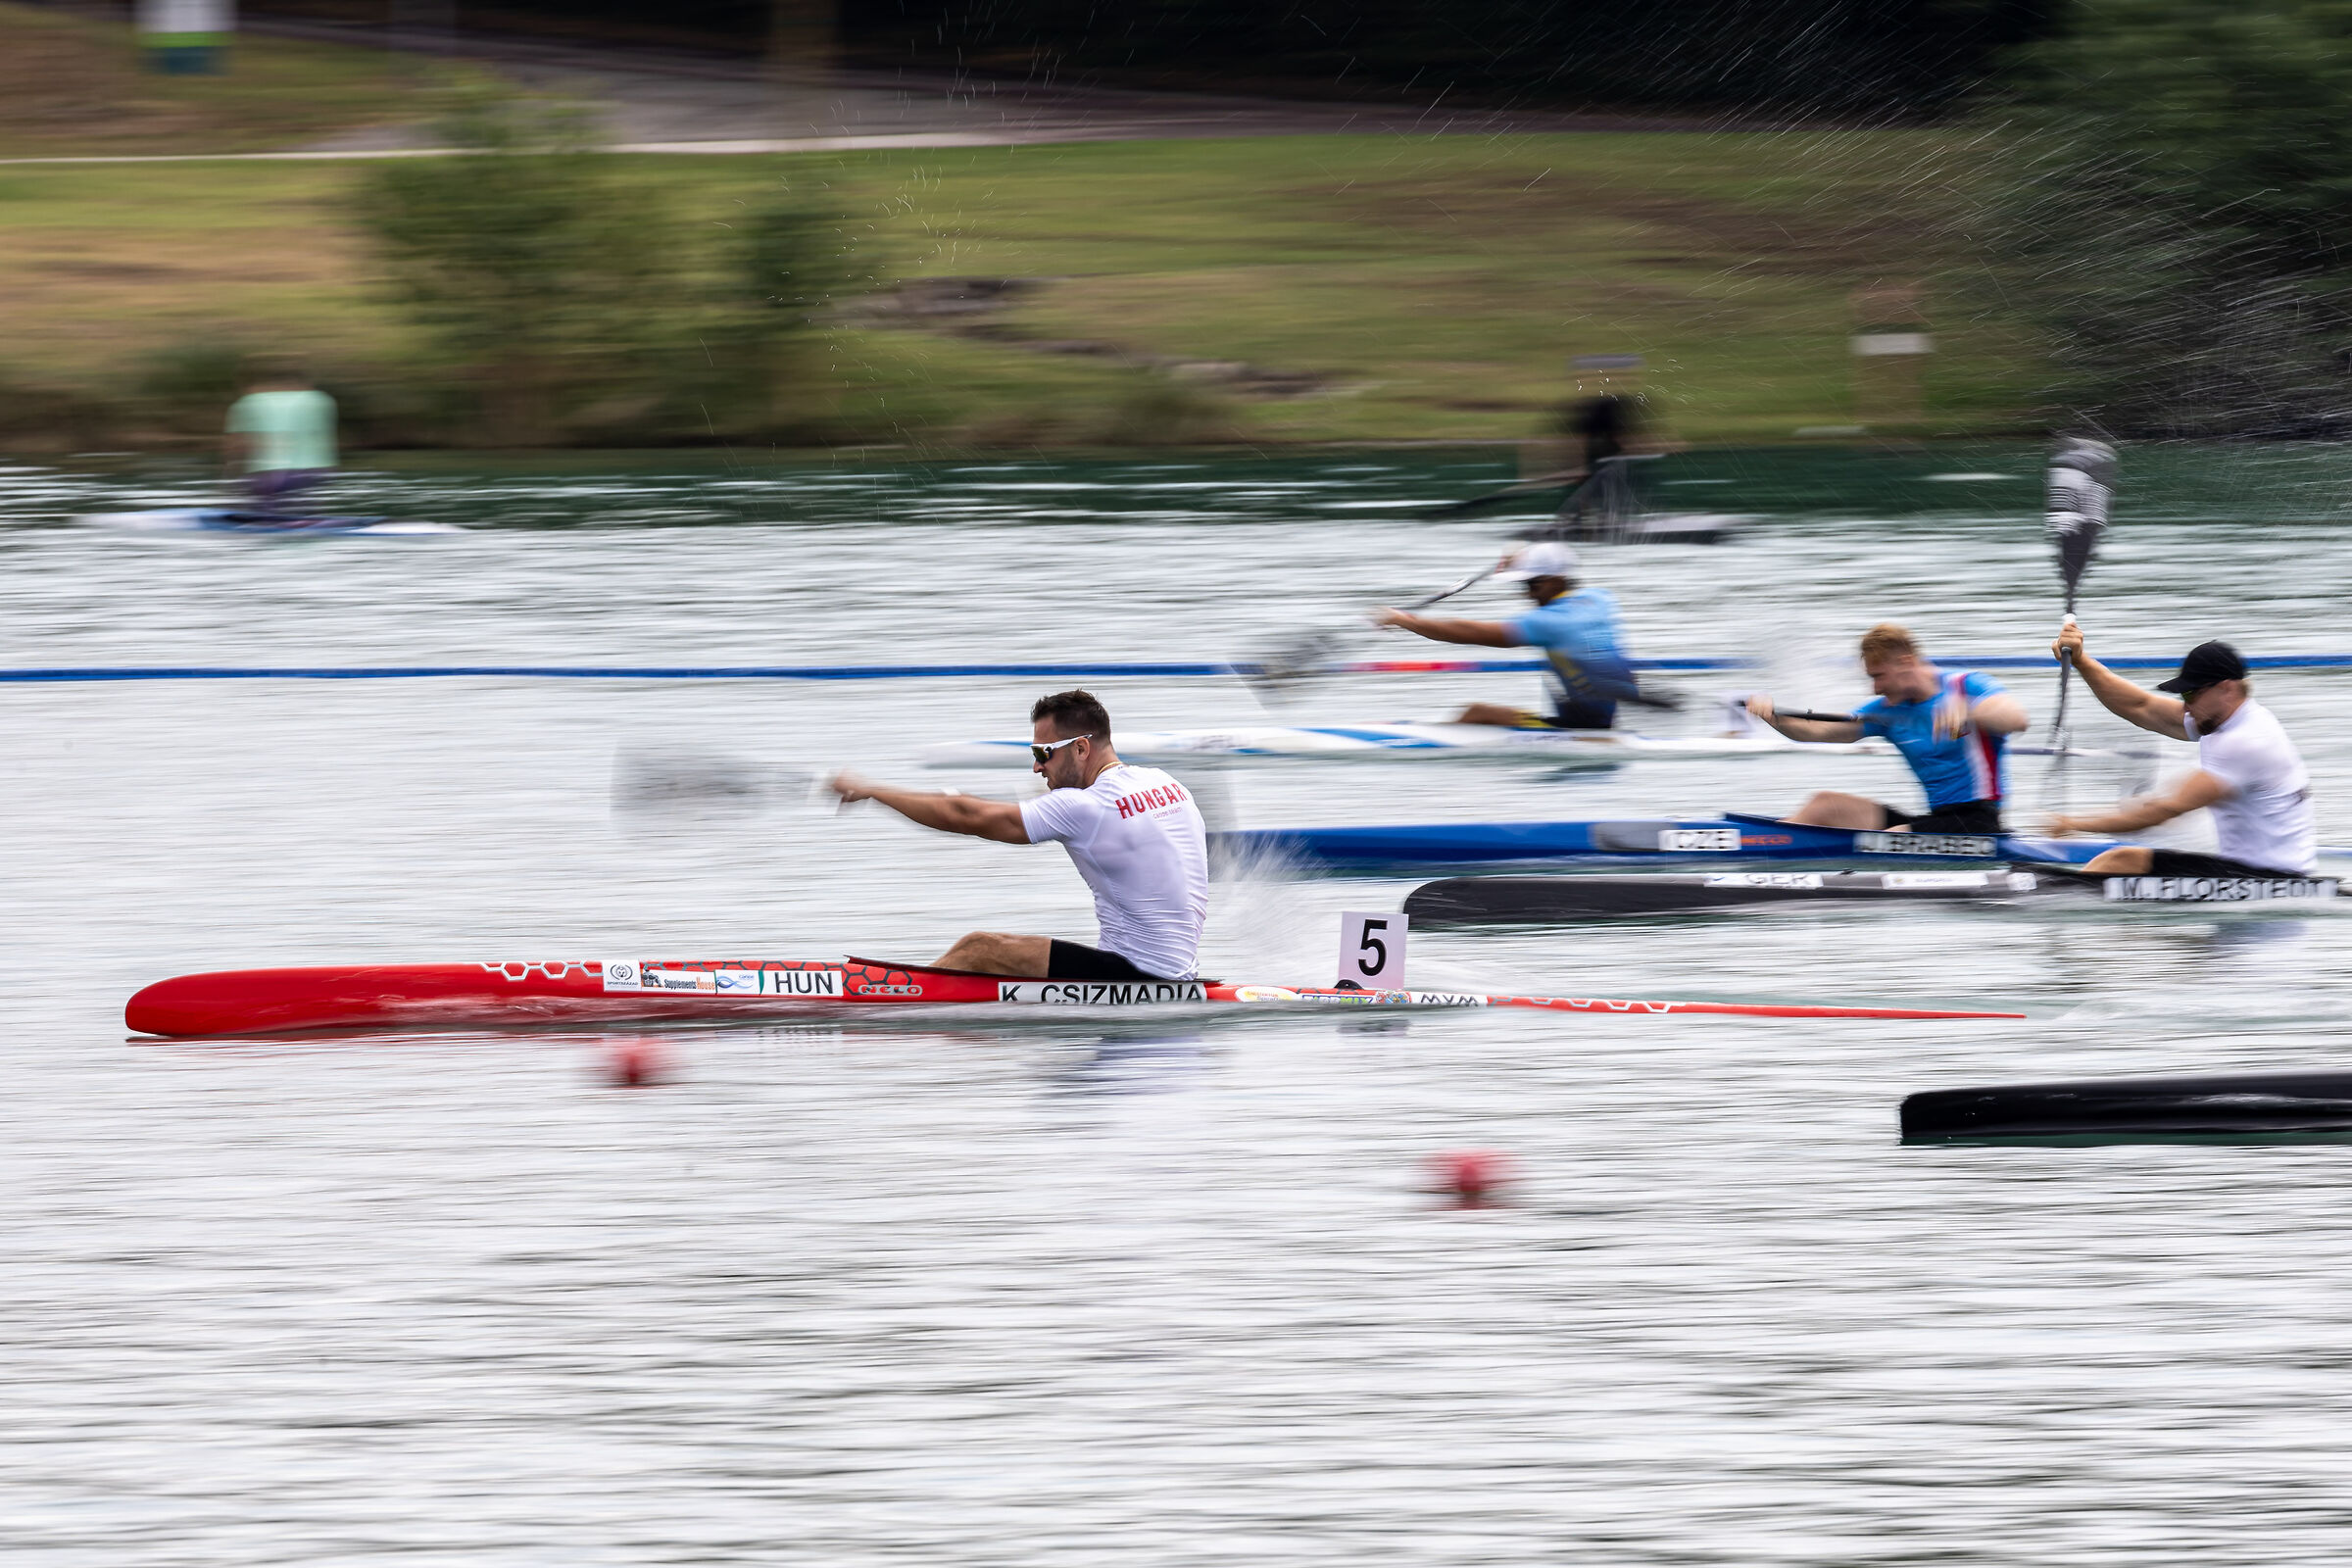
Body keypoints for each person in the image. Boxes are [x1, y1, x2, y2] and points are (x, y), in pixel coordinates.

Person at [828, 689, 1209, 981]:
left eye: (1044, 754)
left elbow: (965, 815)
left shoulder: (1085, 807)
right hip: (1178, 969)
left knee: (979, 949)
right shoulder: (1166, 783)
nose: (1035, 767)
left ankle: (887, 998)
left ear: (1080, 748)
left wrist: (872, 791)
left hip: (1136, 976)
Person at [2043, 629, 2315, 876]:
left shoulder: (2244, 742)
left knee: (2118, 862)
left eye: (2189, 694)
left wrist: (2073, 823)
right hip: (2257, 872)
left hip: (2270, 878)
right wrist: (2081, 661)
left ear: (2226, 688)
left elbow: (2163, 811)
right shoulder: (2225, 719)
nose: (2185, 706)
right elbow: (2141, 706)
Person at [1745, 622, 2029, 833]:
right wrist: (1772, 717)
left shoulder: (1967, 686)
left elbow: (2016, 718)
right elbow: (1818, 731)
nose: (1875, 687)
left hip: (1980, 823)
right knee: (1824, 805)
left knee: (1892, 838)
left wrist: (1970, 710)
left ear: (1905, 663)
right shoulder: (1886, 710)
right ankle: (1763, 854)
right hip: (1936, 821)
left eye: (1879, 676)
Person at [1372, 540, 1641, 730]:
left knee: (1477, 713)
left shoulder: (1547, 622)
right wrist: (1518, 558)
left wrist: (1405, 620)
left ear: (1556, 581)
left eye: (1533, 584)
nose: (1527, 593)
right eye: (1524, 584)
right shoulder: (1601, 598)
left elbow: (1467, 632)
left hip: (1580, 728)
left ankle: (1432, 742)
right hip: (1598, 714)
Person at [224, 361, 337, 513]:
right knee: (300, 508)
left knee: (256, 506)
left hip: (275, 474)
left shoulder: (249, 402)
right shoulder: (320, 399)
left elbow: (238, 446)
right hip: (318, 472)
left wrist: (228, 479)